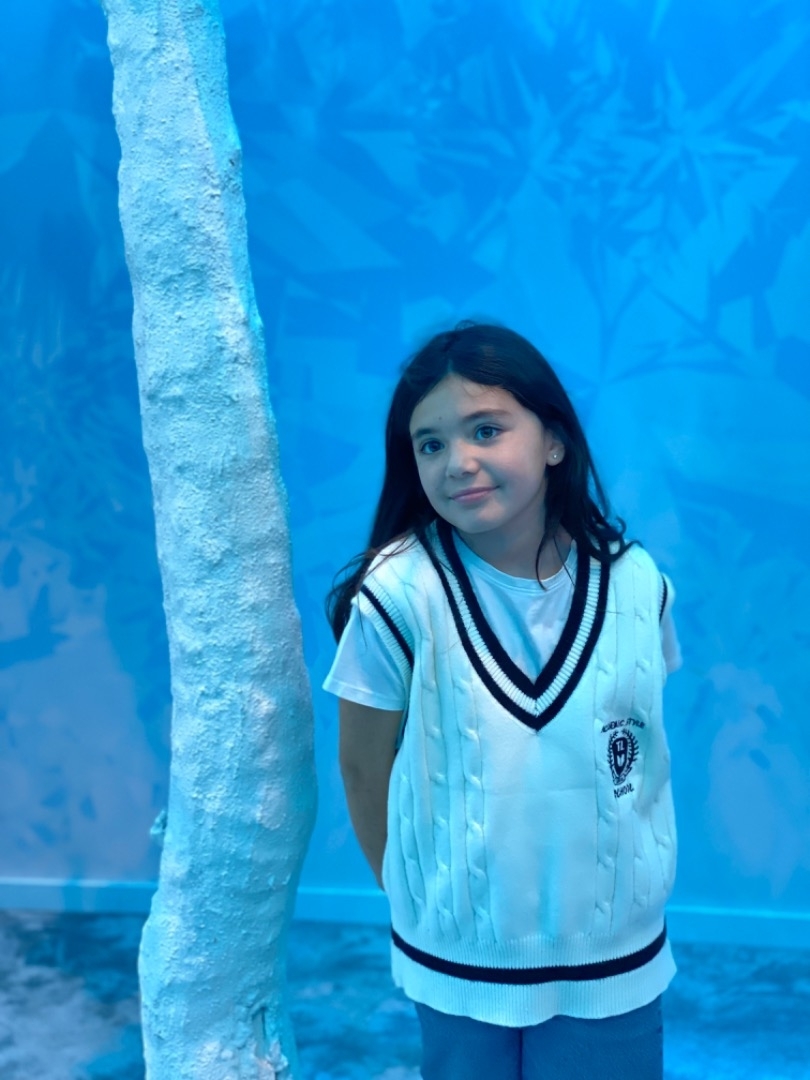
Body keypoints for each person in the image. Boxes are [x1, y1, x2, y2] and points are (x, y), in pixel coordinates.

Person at [323, 322, 681, 1080]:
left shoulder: (636, 582)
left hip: (613, 953)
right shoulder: (399, 595)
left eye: (486, 430)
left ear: (553, 440)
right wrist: (421, 894)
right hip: (460, 956)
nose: (458, 461)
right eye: (430, 444)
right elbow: (361, 765)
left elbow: (638, 749)